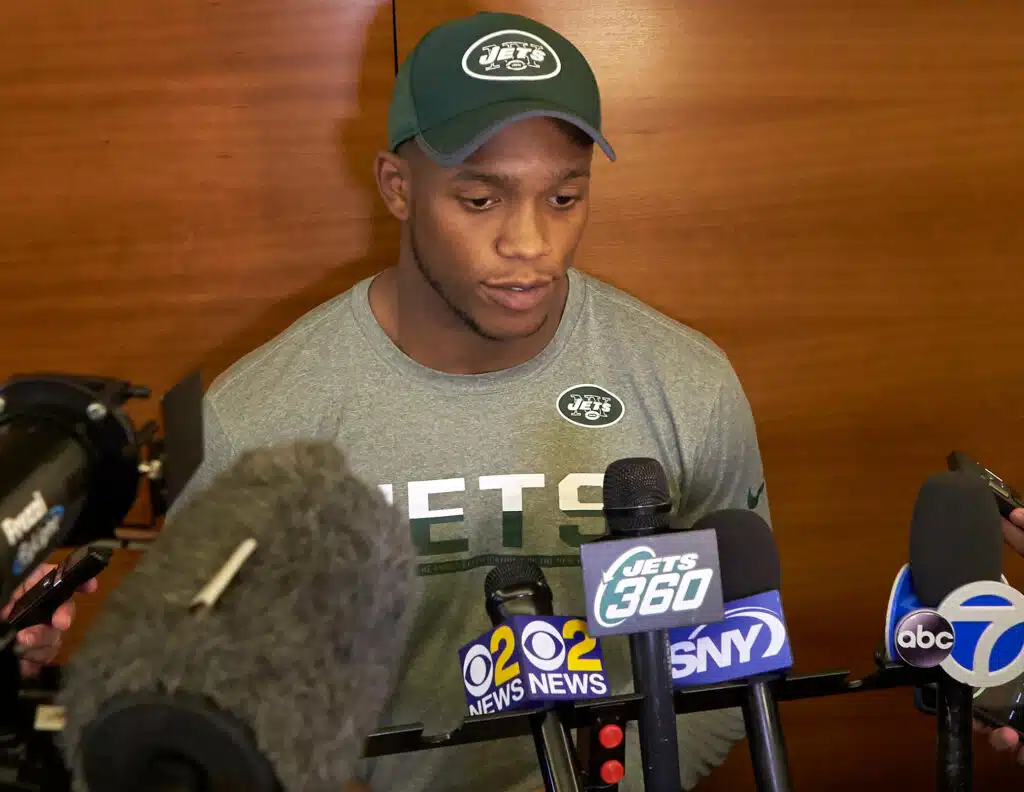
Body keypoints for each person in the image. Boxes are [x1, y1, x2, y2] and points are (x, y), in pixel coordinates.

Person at [147, 9, 1023, 790]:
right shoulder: (260, 420)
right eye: (480, 198)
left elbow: (725, 662)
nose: (530, 243)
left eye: (564, 197)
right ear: (397, 187)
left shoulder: (685, 384)